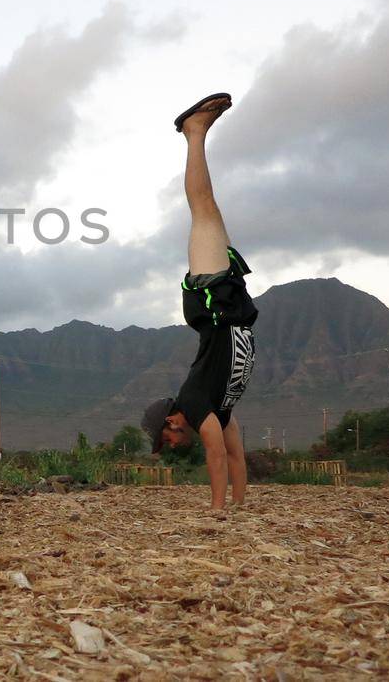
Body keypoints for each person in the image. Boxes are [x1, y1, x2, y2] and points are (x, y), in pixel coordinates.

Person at [141, 93, 258, 511]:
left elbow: (213, 455)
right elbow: (234, 456)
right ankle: (195, 133)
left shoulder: (192, 403)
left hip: (212, 303)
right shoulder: (219, 410)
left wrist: (216, 513)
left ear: (171, 421)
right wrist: (239, 510)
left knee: (202, 208)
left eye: (166, 439)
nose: (171, 445)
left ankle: (194, 131)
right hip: (226, 307)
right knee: (208, 208)